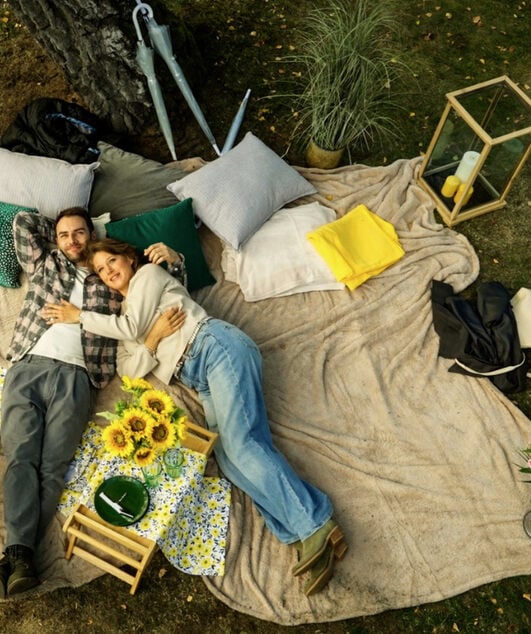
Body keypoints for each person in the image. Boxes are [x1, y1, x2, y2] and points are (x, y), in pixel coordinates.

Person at [43, 238, 347, 596]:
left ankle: (315, 525)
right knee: (231, 460)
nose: (109, 272)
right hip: (200, 376)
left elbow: (130, 328)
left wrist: (79, 316)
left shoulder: (149, 277)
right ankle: (298, 534)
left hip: (215, 347)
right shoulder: (122, 320)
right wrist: (153, 338)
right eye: (101, 271)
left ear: (128, 258)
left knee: (243, 445)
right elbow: (131, 371)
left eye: (112, 261)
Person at [0, 208, 183, 598]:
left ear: (93, 236)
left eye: (80, 234)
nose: (72, 241)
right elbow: (23, 221)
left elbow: (167, 288)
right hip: (29, 367)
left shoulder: (110, 276)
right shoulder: (44, 263)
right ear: (54, 240)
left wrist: (173, 259)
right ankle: (20, 556)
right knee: (22, 456)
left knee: (53, 466)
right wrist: (66, 230)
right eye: (64, 235)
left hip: (78, 377)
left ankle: (16, 557)